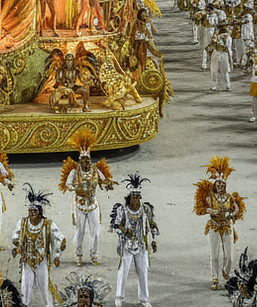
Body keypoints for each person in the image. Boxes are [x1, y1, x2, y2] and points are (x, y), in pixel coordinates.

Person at [59, 128, 115, 267]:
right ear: (79, 160)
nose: (85, 163)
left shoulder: (95, 170)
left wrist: (108, 183)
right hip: (80, 205)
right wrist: (76, 188)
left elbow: (104, 180)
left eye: (87, 160)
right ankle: (78, 255)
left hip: (93, 204)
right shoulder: (74, 171)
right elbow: (67, 184)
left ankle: (94, 255)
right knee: (80, 231)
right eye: (82, 160)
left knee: (95, 232)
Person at [192, 156, 246, 290]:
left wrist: (231, 214)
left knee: (229, 257)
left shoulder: (230, 198)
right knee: (214, 255)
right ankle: (214, 277)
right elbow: (199, 210)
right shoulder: (210, 196)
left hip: (227, 227)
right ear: (215, 185)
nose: (220, 186)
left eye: (222, 184)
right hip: (214, 227)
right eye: (218, 184)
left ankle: (226, 272)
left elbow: (238, 211)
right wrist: (209, 210)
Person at [109, 173, 158, 307]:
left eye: (138, 197)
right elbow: (116, 226)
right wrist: (124, 231)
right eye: (133, 197)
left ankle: (144, 298)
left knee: (143, 272)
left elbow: (151, 225)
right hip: (127, 246)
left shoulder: (146, 210)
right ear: (129, 198)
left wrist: (153, 240)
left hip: (141, 245)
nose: (135, 200)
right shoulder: (122, 210)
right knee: (123, 271)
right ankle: (119, 297)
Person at [11, 185, 65, 307]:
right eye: (30, 211)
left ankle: (48, 304)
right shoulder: (23, 222)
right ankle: (24, 304)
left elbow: (59, 238)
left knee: (44, 284)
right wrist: (15, 242)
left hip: (42, 260)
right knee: (25, 285)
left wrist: (57, 255)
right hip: (27, 259)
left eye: (34, 211)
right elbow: (16, 234)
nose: (31, 214)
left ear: (40, 212)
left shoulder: (47, 224)